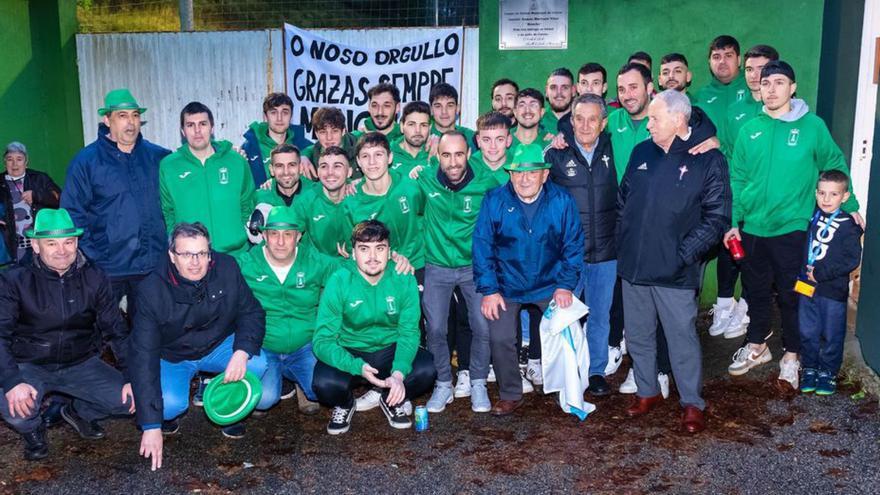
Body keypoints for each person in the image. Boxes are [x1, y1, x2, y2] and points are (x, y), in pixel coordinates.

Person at [725, 61, 862, 389]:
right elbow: (738, 178)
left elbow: (834, 164)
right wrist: (733, 222)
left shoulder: (812, 127)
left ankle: (791, 355)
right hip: (753, 227)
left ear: (793, 87)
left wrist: (852, 204)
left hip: (794, 227)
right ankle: (757, 345)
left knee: (792, 294)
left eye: (779, 83)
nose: (771, 89)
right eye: (766, 82)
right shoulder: (749, 129)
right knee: (755, 292)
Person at [617, 90, 731, 434]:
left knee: (681, 337)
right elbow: (624, 201)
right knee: (637, 335)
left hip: (676, 271)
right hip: (635, 267)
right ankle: (648, 391)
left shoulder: (708, 158)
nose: (648, 124)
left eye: (655, 118)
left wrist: (684, 255)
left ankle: (693, 403)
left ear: (679, 119)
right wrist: (626, 243)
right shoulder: (641, 152)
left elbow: (717, 217)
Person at [130, 223, 267, 471]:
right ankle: (166, 416)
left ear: (209, 253)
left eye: (202, 253)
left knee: (257, 363)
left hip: (218, 345)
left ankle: (227, 408)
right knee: (170, 405)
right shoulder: (150, 290)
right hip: (174, 355)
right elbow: (143, 355)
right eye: (186, 254)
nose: (195, 262)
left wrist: (241, 351)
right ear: (172, 256)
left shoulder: (227, 267)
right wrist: (151, 425)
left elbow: (251, 312)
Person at [0, 209, 133, 460]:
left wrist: (131, 375)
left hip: (81, 362)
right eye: (52, 243)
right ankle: (33, 429)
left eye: (68, 242)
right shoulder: (13, 280)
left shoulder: (95, 276)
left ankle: (80, 411)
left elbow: (117, 330)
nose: (62, 250)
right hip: (30, 363)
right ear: (36, 245)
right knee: (14, 407)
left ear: (76, 242)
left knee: (132, 399)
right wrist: (12, 381)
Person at [473, 143, 584, 415]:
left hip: (549, 283)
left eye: (532, 173)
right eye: (518, 173)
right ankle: (510, 392)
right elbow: (482, 246)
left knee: (568, 329)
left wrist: (565, 285)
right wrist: (489, 290)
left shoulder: (562, 200)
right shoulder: (495, 200)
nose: (524, 179)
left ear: (544, 175)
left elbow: (573, 245)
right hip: (506, 284)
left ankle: (569, 389)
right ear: (510, 174)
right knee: (499, 337)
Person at [312, 220, 435, 434]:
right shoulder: (339, 281)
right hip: (351, 349)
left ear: (389, 252)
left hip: (389, 348)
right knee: (324, 384)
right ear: (353, 253)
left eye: (380, 248)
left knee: (427, 369)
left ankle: (390, 399)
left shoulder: (403, 278)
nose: (372, 257)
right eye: (364, 249)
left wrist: (398, 373)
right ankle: (345, 404)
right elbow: (322, 341)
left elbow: (409, 332)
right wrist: (355, 366)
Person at [61, 88, 171, 326]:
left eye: (134, 115)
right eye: (122, 116)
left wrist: (223, 151)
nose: (130, 123)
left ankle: (143, 364)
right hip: (109, 267)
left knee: (148, 330)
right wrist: (95, 255)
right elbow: (72, 212)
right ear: (107, 120)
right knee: (104, 330)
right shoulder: (86, 162)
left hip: (152, 265)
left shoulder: (158, 157)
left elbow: (190, 169)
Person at [420, 131, 501, 414]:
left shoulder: (486, 183)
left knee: (482, 325)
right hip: (437, 266)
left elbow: (497, 224)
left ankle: (478, 381)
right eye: (446, 155)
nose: (453, 162)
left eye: (458, 155)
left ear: (468, 154)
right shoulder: (425, 180)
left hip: (473, 267)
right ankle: (443, 383)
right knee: (436, 328)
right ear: (437, 156)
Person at [545, 93, 617, 395]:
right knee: (563, 316)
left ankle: (596, 371)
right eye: (579, 118)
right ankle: (565, 372)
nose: (585, 125)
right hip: (568, 256)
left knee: (600, 315)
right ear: (570, 121)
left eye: (592, 119)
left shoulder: (616, 149)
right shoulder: (555, 155)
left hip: (607, 251)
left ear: (602, 123)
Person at [238, 207, 338, 416]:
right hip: (265, 347)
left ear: (298, 236)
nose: (280, 242)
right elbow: (212, 273)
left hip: (305, 346)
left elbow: (353, 270)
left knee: (326, 391)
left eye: (288, 234)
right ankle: (277, 377)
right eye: (274, 234)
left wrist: (394, 260)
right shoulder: (247, 264)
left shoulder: (314, 261)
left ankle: (301, 383)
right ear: (264, 235)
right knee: (263, 400)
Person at [709, 44, 779, 339]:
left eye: (762, 69)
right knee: (730, 247)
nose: (754, 75)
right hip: (738, 193)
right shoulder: (736, 110)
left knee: (758, 255)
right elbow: (726, 150)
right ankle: (725, 303)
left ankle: (746, 306)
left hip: (768, 200)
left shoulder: (782, 109)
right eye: (750, 69)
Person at [160, 101, 256, 255]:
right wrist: (179, 244)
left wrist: (239, 233)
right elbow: (168, 211)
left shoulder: (236, 161)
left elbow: (248, 202)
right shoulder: (169, 166)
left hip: (236, 255)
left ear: (212, 127)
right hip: (192, 258)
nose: (197, 131)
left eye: (203, 124)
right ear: (182, 131)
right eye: (190, 125)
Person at [798, 171, 863, 396]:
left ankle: (827, 371)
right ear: (816, 193)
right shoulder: (812, 217)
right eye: (822, 193)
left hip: (832, 290)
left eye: (833, 194)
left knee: (832, 333)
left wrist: (822, 273)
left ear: (844, 197)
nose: (826, 199)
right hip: (806, 287)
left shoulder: (849, 225)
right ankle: (809, 368)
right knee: (807, 330)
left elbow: (851, 259)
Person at [1, 142, 61, 264]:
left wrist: (36, 195)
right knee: (17, 280)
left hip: (40, 245)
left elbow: (59, 199)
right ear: (4, 162)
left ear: (26, 162)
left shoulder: (40, 178)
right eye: (9, 159)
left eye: (19, 159)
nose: (14, 164)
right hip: (13, 248)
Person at [241, 92, 311, 188]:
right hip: (262, 202)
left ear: (291, 116)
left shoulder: (305, 147)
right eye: (273, 112)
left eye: (285, 112)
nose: (279, 118)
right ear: (265, 116)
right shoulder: (248, 149)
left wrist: (306, 154)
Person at [294, 146, 354, 256]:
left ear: (349, 172)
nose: (330, 172)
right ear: (318, 171)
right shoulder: (305, 201)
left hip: (353, 266)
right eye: (324, 166)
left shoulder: (358, 197)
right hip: (317, 267)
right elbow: (287, 236)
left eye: (337, 166)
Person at [695, 35, 749, 143]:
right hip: (715, 159)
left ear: (739, 60)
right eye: (716, 57)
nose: (722, 61)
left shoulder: (754, 88)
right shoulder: (701, 97)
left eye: (728, 55)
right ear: (709, 62)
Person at [301, 107, 360, 174]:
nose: (329, 138)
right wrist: (303, 156)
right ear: (316, 134)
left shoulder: (358, 143)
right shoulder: (313, 157)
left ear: (343, 131)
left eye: (334, 131)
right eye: (323, 132)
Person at [428, 83, 476, 151]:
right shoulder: (423, 136)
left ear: (458, 108)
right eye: (438, 106)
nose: (444, 112)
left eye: (450, 105)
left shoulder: (471, 137)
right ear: (431, 110)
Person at [471, 111, 514, 183]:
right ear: (478, 141)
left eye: (500, 139)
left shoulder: (518, 163)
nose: (493, 146)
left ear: (508, 140)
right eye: (486, 140)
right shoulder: (469, 166)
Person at [390, 101, 431, 174]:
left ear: (429, 128)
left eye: (423, 125)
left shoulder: (437, 153)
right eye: (411, 124)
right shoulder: (388, 153)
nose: (418, 130)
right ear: (402, 127)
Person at [542, 68, 575, 134]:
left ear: (573, 91)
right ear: (546, 91)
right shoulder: (537, 121)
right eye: (553, 87)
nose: (559, 93)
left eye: (565, 87)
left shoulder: (584, 122)